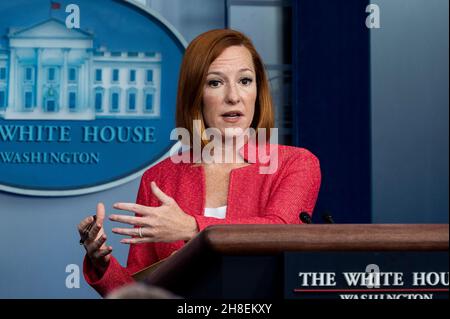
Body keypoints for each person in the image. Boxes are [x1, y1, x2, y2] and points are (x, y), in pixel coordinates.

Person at [78, 29, 321, 297]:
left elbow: (280, 232)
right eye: (215, 83)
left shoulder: (296, 163)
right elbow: (143, 292)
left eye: (245, 80)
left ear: (258, 91)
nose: (234, 96)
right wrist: (103, 265)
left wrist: (191, 227)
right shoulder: (158, 179)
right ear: (195, 94)